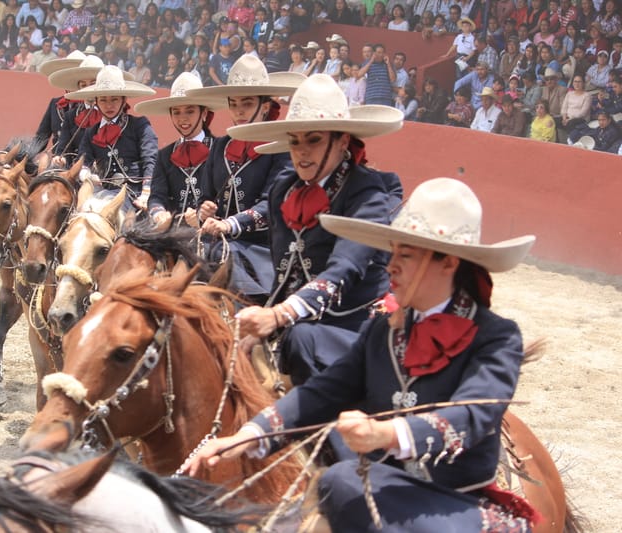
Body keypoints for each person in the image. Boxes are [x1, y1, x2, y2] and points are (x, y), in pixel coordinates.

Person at [186, 176, 538, 533]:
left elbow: (473, 415)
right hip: (379, 486)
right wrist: (249, 435)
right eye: (393, 252)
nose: (390, 267)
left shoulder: (496, 336)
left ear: (448, 262)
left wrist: (388, 434)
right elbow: (324, 392)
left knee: (341, 480)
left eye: (406, 255)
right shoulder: (381, 331)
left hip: (455, 501)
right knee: (331, 486)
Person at [221, 73, 404, 393]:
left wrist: (279, 316)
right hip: (293, 324)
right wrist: (266, 321)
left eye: (314, 139)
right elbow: (285, 272)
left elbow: (344, 269)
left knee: (302, 340)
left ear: (342, 141)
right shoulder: (284, 189)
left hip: (352, 324)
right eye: (295, 140)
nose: (301, 151)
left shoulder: (369, 193)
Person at [183, 54, 303, 304]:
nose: (238, 111)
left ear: (266, 106)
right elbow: (206, 194)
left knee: (228, 261)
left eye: (246, 104)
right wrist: (204, 210)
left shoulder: (281, 148)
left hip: (261, 248)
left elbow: (272, 203)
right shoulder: (221, 145)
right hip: (216, 240)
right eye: (234, 104)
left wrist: (230, 224)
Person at [134, 72, 227, 227]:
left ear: (204, 113)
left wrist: (207, 214)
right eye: (176, 112)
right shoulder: (164, 155)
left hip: (210, 229)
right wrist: (159, 213)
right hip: (173, 231)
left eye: (189, 111)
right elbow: (157, 196)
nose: (182, 118)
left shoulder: (221, 150)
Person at [67, 65, 158, 210]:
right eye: (103, 100)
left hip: (135, 194)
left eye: (114, 99)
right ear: (96, 101)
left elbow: (150, 158)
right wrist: (86, 174)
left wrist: (147, 191)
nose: (109, 105)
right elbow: (83, 161)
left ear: (124, 100)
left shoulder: (139, 125)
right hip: (104, 192)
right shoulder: (91, 132)